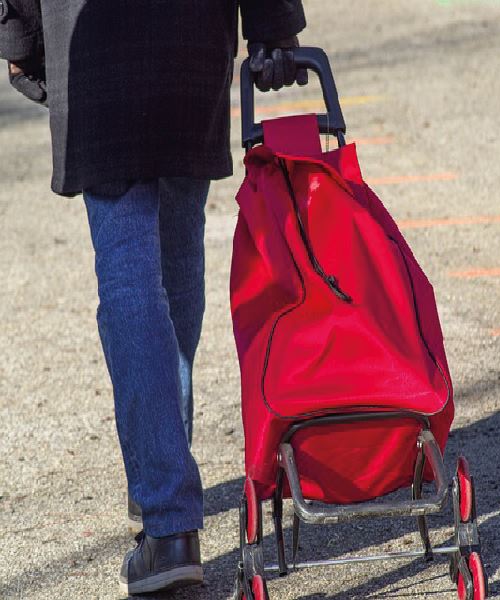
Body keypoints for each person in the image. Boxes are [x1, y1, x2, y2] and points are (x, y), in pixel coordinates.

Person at [0, 0, 307, 594]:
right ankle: (165, 488)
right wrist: (273, 25)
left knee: (129, 274)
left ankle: (168, 522)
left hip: (94, 41)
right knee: (173, 264)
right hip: (188, 37)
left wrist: (21, 36)